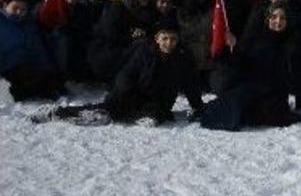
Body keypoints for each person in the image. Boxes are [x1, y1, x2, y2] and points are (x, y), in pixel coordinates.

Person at [39, 24, 204, 126]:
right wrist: (123, 91)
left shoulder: (183, 57)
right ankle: (59, 113)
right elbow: (127, 73)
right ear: (157, 39)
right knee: (112, 107)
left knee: (157, 114)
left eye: (173, 39)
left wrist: (197, 106)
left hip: (159, 102)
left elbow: (190, 84)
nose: (169, 43)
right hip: (134, 94)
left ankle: (125, 115)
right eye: (165, 38)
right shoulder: (144, 52)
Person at [200, 5, 301, 131]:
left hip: (275, 92)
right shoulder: (255, 37)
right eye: (274, 17)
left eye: (282, 18)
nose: (278, 21)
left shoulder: (292, 40)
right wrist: (232, 47)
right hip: (251, 87)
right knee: (234, 104)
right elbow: (240, 62)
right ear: (267, 19)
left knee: (269, 113)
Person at [0, 0, 65, 101]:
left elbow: (38, 51)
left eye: (23, 9)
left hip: (26, 70)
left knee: (49, 82)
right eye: (15, 8)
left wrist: (49, 70)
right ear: (5, 5)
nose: (19, 12)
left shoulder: (29, 25)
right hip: (6, 73)